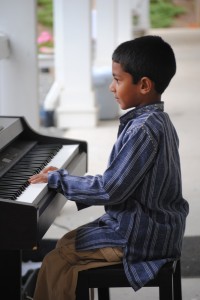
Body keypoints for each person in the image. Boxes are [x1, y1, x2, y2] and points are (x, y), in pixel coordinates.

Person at [29, 35, 189, 300]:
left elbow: (110, 189)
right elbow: (118, 182)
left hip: (141, 236)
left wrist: (59, 180)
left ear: (144, 85)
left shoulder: (142, 129)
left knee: (59, 259)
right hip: (157, 228)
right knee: (66, 244)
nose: (112, 88)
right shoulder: (158, 121)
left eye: (118, 80)